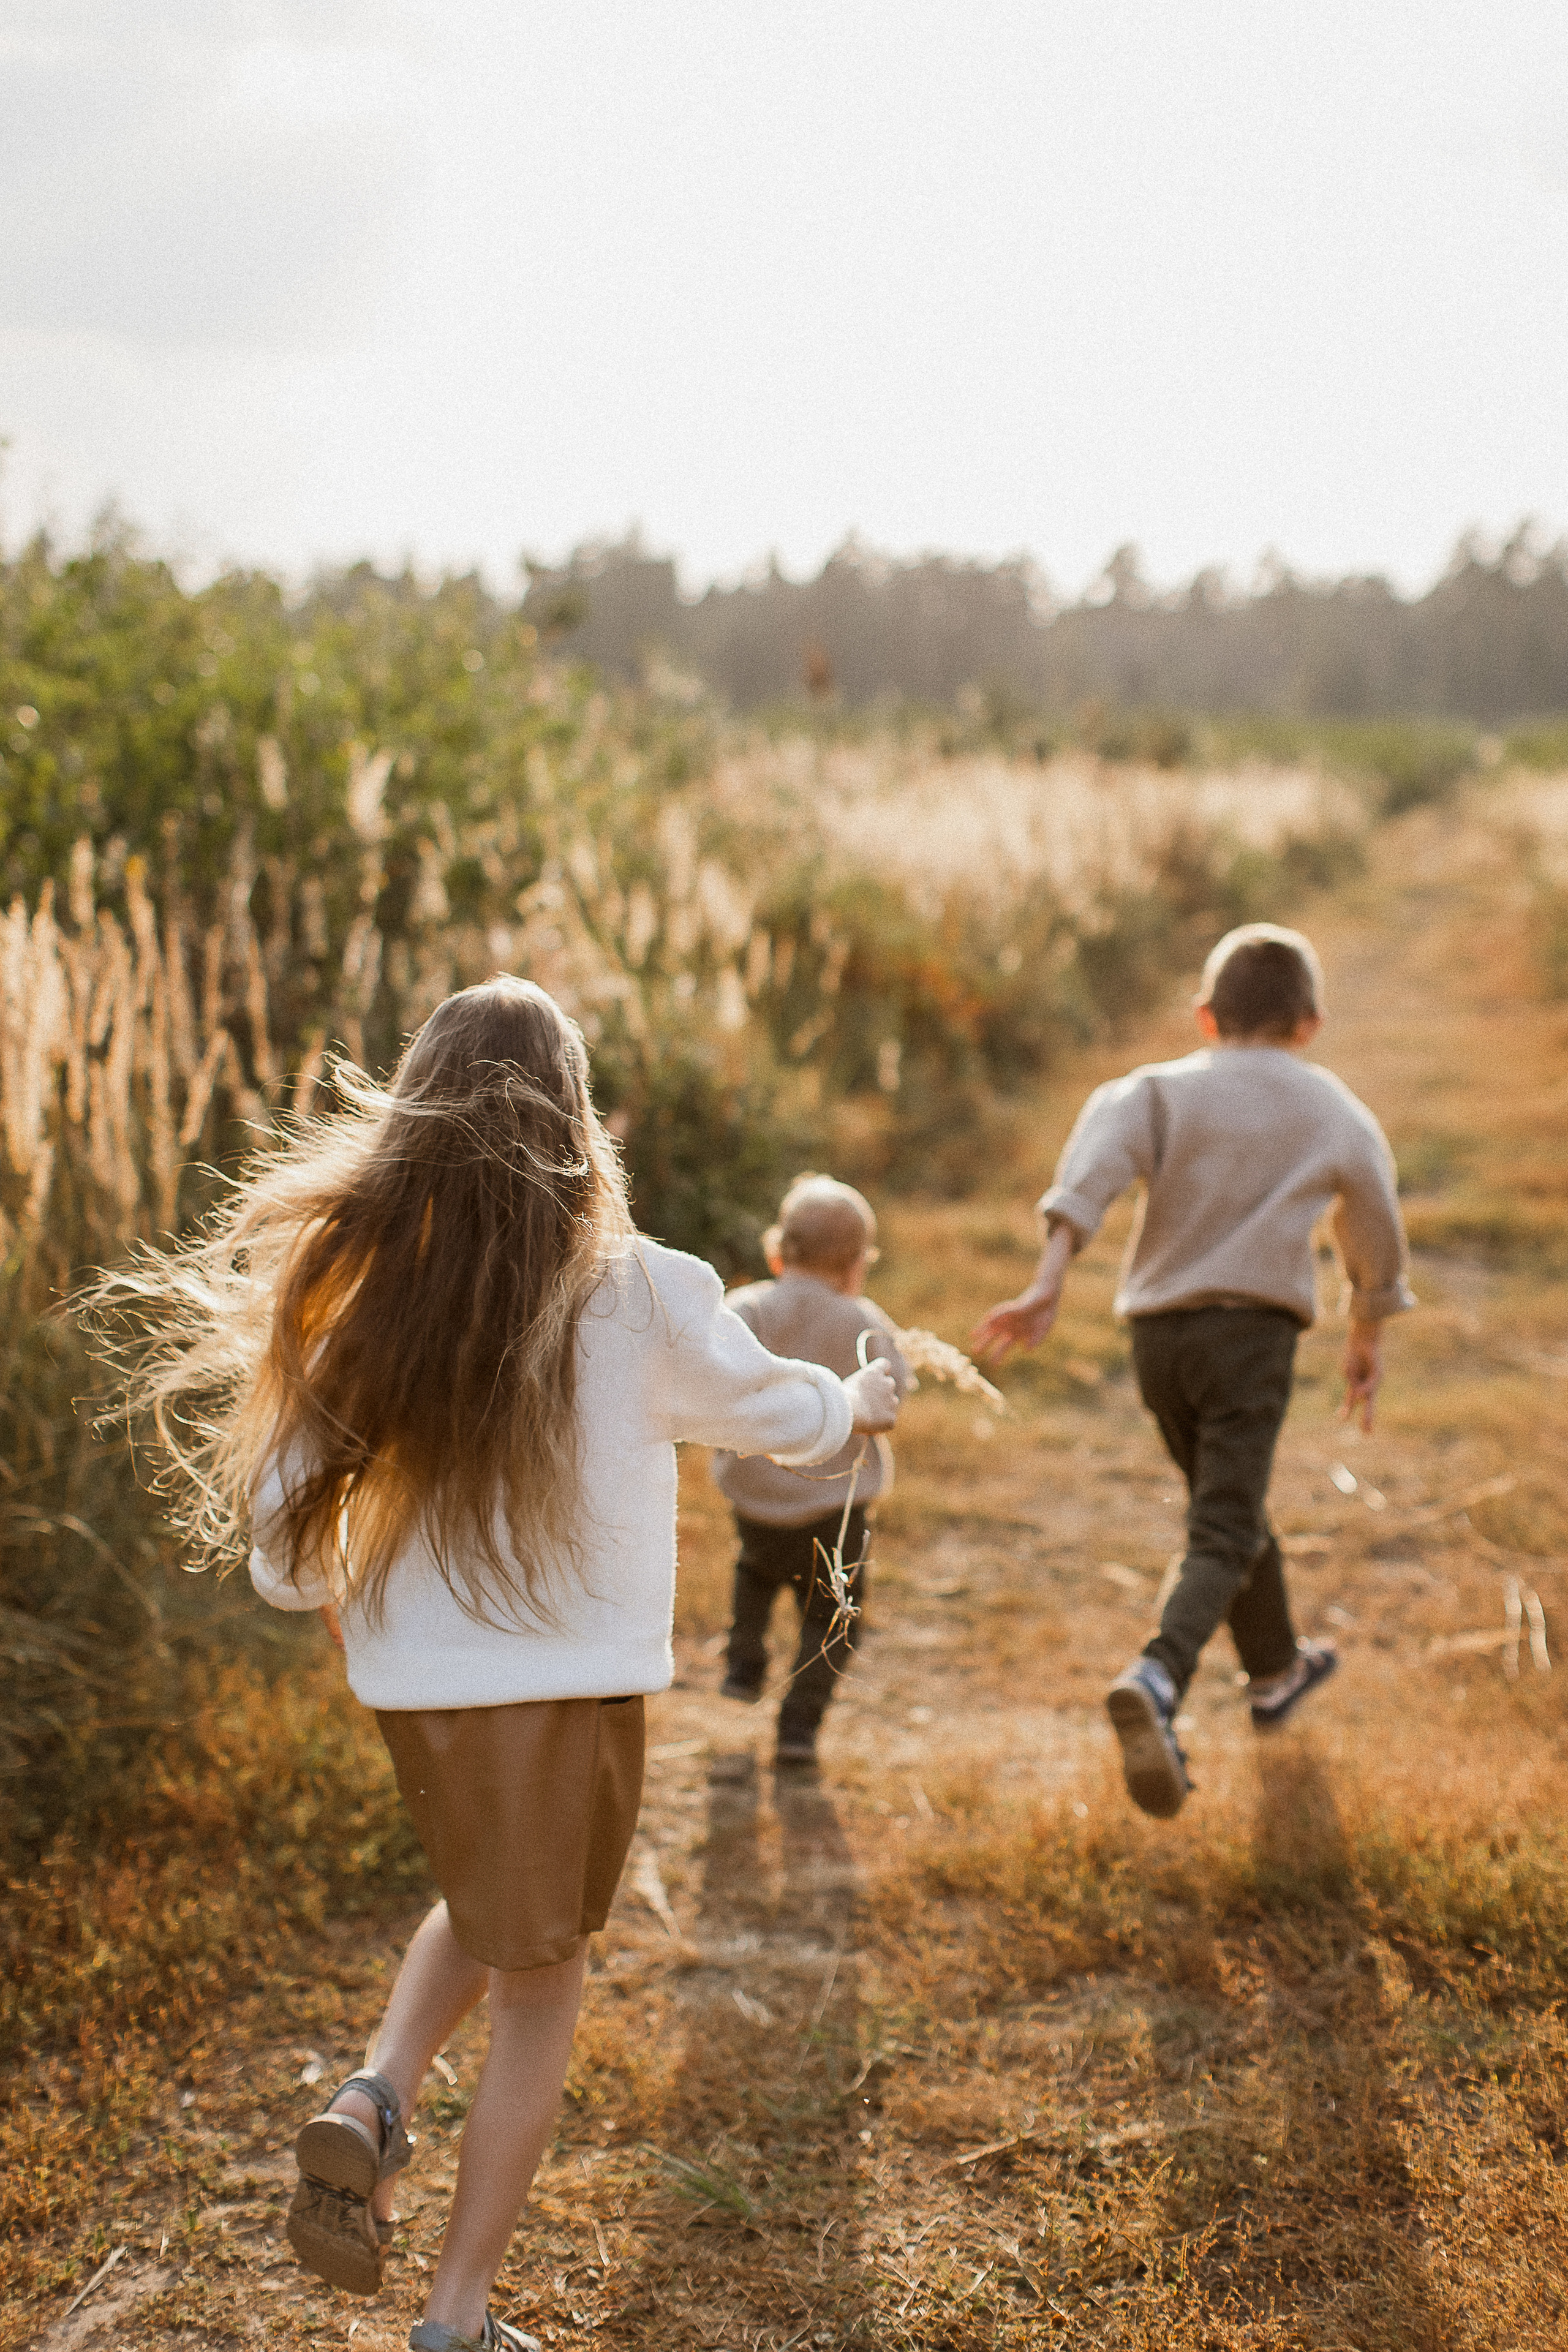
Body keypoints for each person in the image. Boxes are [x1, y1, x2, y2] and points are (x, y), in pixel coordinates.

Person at [96, 978, 900, 2352]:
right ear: (578, 1122)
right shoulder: (645, 1293)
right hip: (566, 1690)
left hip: (420, 1692)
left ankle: (373, 2096)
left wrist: (337, 1596)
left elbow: (289, 1553)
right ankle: (454, 2317)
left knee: (487, 1899)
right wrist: (855, 1400)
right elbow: (767, 1410)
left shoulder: (361, 1299)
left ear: (415, 1118)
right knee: (545, 1973)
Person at [972, 923, 1413, 1820]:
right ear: (1310, 1022)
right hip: (1250, 1339)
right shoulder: (1333, 1108)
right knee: (1222, 1526)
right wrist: (1367, 1325)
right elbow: (1373, 1218)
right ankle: (1158, 1676)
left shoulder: (1150, 1090)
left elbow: (1086, 1180)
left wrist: (1047, 1285)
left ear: (1207, 1018)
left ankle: (1276, 1672)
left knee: (1228, 1504)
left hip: (1159, 1343)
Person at [710, 1175, 913, 1768]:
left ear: (777, 1251)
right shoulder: (863, 1320)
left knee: (753, 1570)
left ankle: (743, 1663)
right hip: (833, 1507)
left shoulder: (744, 1309)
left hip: (754, 1497)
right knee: (834, 1619)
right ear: (856, 1266)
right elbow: (892, 1392)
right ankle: (798, 1728)